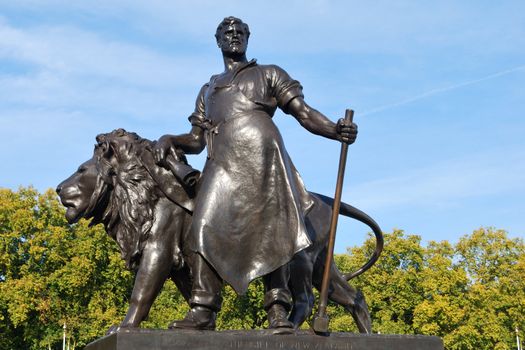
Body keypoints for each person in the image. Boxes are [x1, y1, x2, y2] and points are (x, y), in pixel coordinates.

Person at [153, 16, 357, 330]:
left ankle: (277, 309)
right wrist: (171, 139)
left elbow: (302, 113)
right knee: (202, 227)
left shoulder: (269, 74)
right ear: (218, 40)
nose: (234, 36)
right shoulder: (209, 89)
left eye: (240, 32)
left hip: (264, 160)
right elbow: (195, 140)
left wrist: (334, 129)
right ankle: (204, 309)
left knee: (273, 232)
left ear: (248, 39)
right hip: (222, 164)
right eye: (228, 32)